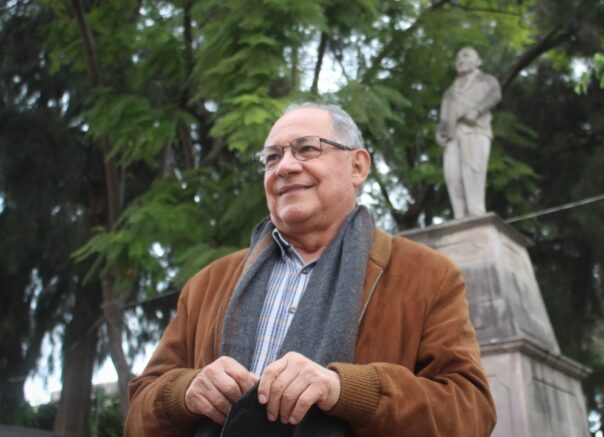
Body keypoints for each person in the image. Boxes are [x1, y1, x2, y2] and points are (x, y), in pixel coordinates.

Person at [125, 103, 496, 436]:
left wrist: (343, 390)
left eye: (306, 149)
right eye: (272, 157)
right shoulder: (208, 284)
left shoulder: (428, 276)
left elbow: (471, 413)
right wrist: (185, 394)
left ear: (357, 166)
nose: (285, 167)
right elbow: (138, 413)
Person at [436, 47, 501, 219]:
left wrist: (477, 111)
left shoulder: (486, 80)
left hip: (475, 130)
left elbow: (495, 95)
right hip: (452, 135)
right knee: (452, 175)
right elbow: (443, 116)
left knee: (473, 170)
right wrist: (440, 132)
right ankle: (459, 215)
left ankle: (475, 212)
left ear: (478, 61)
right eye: (458, 57)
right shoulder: (450, 91)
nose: (461, 60)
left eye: (466, 56)